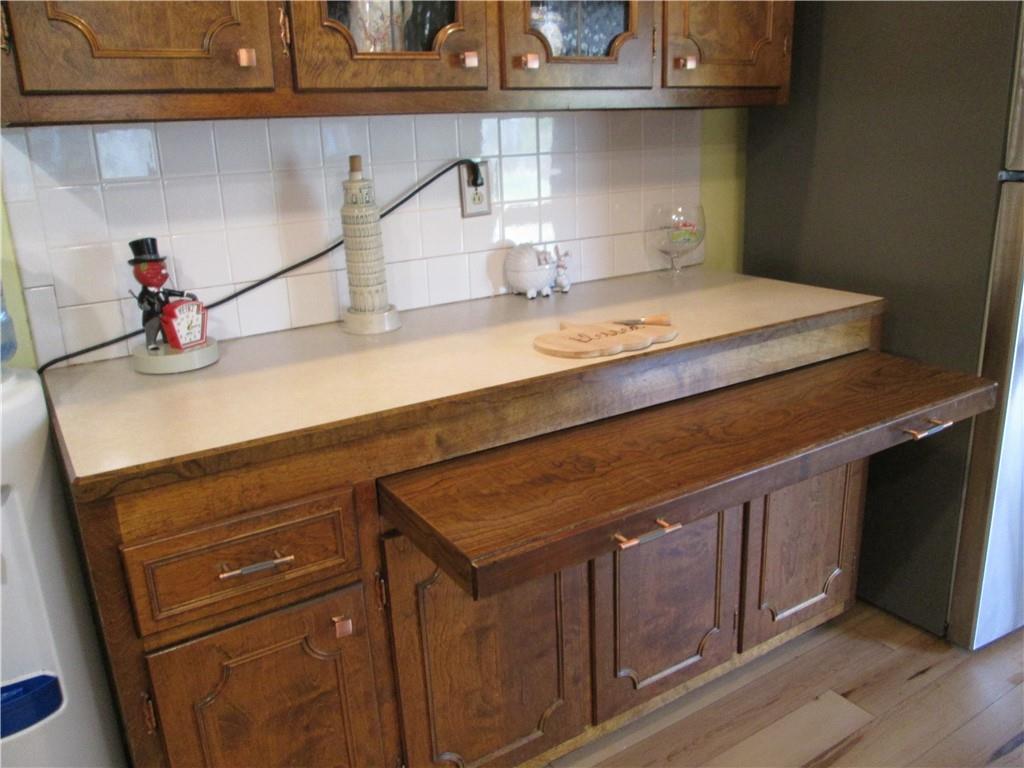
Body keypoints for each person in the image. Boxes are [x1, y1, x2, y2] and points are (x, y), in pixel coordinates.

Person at [128, 238, 196, 351]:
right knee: (152, 329)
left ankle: (168, 339)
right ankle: (151, 343)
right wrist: (143, 305)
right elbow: (141, 302)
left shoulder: (163, 291)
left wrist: (186, 294)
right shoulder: (145, 293)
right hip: (152, 316)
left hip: (166, 315)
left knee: (168, 329)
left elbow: (174, 292)